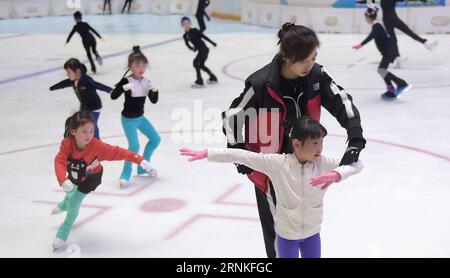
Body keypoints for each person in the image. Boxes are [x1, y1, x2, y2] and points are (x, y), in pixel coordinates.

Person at [222, 23, 366, 258]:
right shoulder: (261, 85)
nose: (309, 65)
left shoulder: (317, 76)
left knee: (307, 228)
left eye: (313, 58)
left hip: (308, 168)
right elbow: (232, 118)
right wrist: (240, 154)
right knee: (279, 238)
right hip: (271, 173)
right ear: (286, 56)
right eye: (303, 60)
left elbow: (344, 103)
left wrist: (355, 139)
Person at [180, 116, 363, 258]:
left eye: (322, 142)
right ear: (297, 144)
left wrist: (338, 174)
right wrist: (208, 153)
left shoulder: (322, 163)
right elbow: (241, 156)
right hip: (286, 238)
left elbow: (358, 163)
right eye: (315, 143)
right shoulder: (277, 164)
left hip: (312, 235)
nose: (320, 148)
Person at [52, 111, 155, 251]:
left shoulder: (97, 146)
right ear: (73, 131)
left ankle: (64, 230)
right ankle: (64, 204)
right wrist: (62, 179)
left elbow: (120, 152)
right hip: (75, 175)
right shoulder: (67, 144)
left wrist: (139, 159)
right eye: (84, 132)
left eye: (91, 131)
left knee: (75, 200)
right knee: (70, 192)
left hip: (91, 178)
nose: (89, 136)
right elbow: (60, 160)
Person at [111, 46, 160, 188]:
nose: (141, 68)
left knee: (155, 139)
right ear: (130, 66)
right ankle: (125, 174)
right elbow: (113, 96)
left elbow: (154, 100)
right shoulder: (126, 81)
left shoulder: (146, 82)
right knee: (134, 145)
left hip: (140, 118)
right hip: (128, 120)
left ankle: (143, 166)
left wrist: (155, 91)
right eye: (137, 65)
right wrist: (122, 88)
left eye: (143, 65)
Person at [357, 0, 438, 67]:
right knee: (409, 33)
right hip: (394, 19)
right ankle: (426, 44)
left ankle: (398, 58)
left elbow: (372, 3)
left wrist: (362, 2)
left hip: (387, 20)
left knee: (393, 39)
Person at [353, 7, 411, 100]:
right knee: (382, 70)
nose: (365, 19)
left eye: (365, 17)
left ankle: (401, 83)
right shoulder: (377, 25)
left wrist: (361, 45)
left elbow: (371, 36)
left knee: (381, 70)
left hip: (389, 50)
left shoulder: (377, 26)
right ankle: (391, 90)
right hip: (388, 51)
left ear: (368, 18)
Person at [49, 58, 112, 139]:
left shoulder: (86, 80)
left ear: (77, 71)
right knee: (80, 123)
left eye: (69, 72)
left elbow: (98, 85)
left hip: (94, 107)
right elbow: (63, 83)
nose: (67, 75)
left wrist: (111, 91)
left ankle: (97, 142)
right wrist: (53, 87)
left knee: (91, 125)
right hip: (84, 107)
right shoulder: (73, 81)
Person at [181, 16, 218, 88]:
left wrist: (212, 43)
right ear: (182, 25)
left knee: (195, 62)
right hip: (201, 50)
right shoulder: (185, 35)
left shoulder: (194, 30)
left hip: (204, 49)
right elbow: (187, 44)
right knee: (201, 65)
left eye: (188, 23)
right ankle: (213, 77)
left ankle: (200, 81)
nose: (186, 24)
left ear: (190, 23)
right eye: (184, 23)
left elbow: (204, 37)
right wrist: (192, 49)